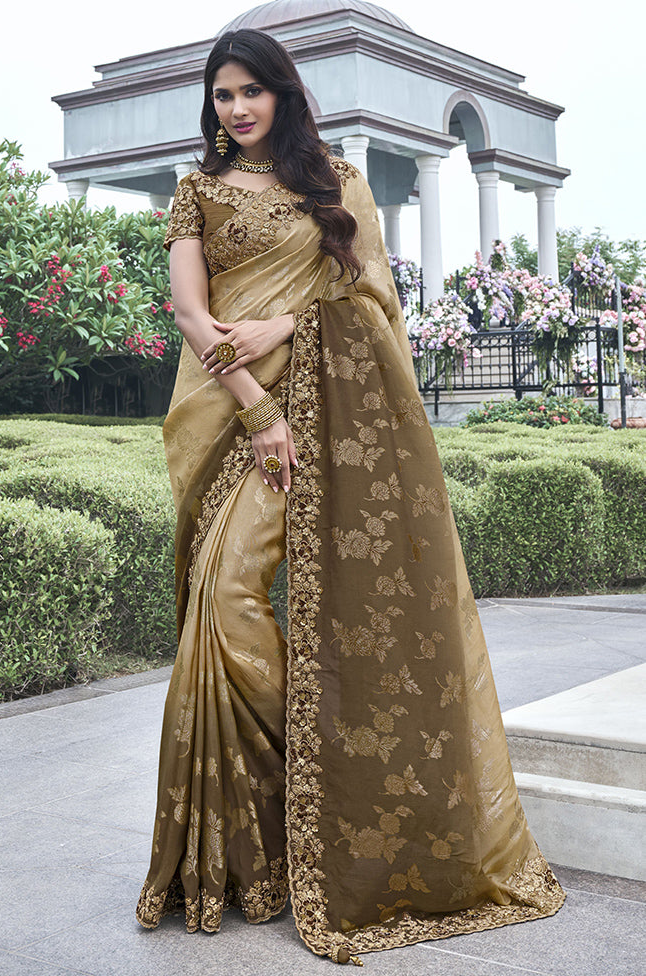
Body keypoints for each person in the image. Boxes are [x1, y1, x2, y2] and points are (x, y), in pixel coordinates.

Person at [135, 27, 566, 966]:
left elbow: (370, 294)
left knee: (237, 598)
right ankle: (323, 770)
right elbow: (189, 311)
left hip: (331, 416)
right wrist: (256, 410)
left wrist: (288, 317)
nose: (237, 109)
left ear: (284, 95)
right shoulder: (197, 191)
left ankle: (340, 764)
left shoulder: (335, 182)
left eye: (252, 91)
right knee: (226, 598)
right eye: (222, 95)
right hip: (238, 420)